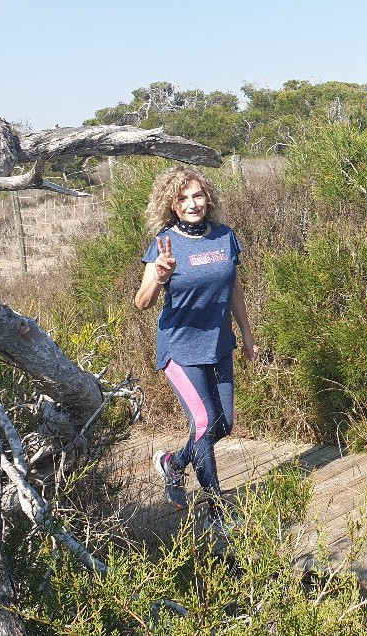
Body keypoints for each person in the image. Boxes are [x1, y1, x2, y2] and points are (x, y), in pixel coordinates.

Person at [134, 165, 259, 536]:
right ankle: (217, 510)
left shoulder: (225, 237)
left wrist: (247, 335)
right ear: (171, 204)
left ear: (208, 198)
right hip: (180, 348)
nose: (193, 204)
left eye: (198, 195)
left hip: (218, 345)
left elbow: (234, 289)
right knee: (203, 423)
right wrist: (160, 276)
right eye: (183, 198)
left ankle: (175, 462)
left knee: (224, 424)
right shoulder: (163, 244)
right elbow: (141, 302)